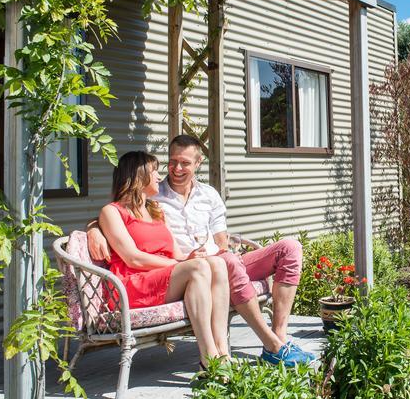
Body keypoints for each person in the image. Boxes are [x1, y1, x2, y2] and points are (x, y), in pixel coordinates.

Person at [88, 135, 315, 366]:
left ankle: (270, 339)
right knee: (216, 263)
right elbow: (125, 236)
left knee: (287, 248)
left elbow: (219, 241)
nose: (175, 169)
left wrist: (223, 254)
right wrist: (93, 228)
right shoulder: (156, 199)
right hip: (176, 271)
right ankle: (269, 346)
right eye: (172, 161)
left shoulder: (177, 203)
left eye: (185, 163)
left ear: (198, 164)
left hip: (206, 263)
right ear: (139, 176)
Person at [99, 150, 231, 368]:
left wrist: (188, 257)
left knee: (216, 263)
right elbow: (133, 259)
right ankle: (210, 359)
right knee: (197, 268)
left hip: (164, 278)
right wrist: (182, 264)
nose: (159, 178)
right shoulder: (112, 212)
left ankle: (223, 354)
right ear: (139, 176)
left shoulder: (156, 209)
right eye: (154, 172)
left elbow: (176, 253)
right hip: (133, 284)